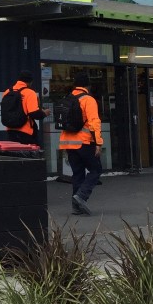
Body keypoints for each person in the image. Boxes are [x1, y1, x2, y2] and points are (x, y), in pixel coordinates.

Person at [58, 72, 103, 215]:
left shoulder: (67, 98)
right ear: (88, 85)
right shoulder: (88, 99)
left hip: (68, 143)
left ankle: (76, 207)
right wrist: (98, 143)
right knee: (96, 170)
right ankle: (81, 196)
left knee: (77, 173)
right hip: (84, 142)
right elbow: (94, 122)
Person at [1, 69, 49, 145]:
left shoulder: (7, 92)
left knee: (14, 152)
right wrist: (44, 113)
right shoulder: (30, 93)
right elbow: (34, 114)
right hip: (26, 132)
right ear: (30, 81)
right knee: (30, 152)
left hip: (10, 131)